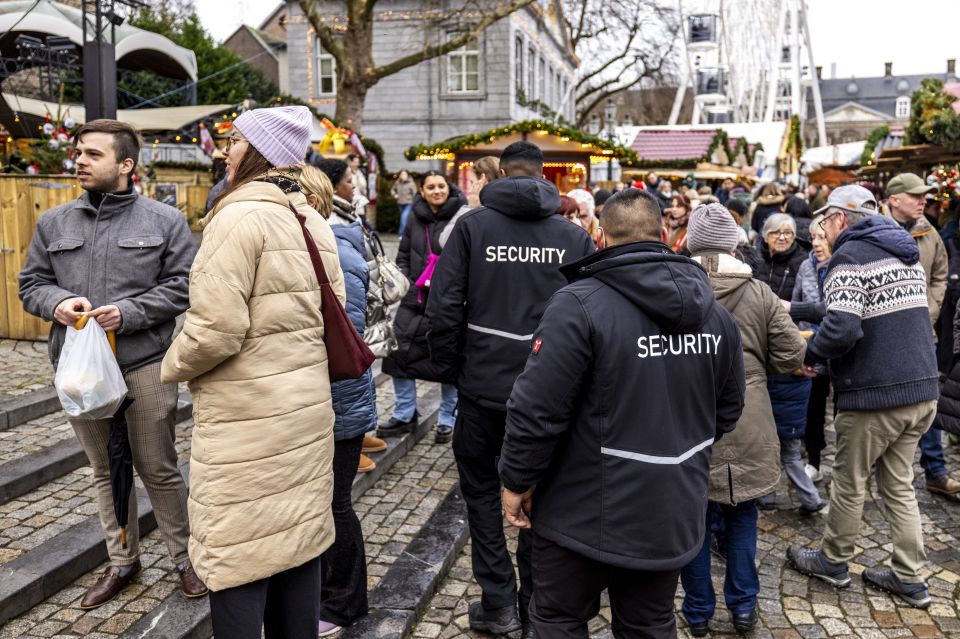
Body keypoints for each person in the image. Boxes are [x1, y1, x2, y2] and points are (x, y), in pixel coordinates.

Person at [497, 189, 745, 639]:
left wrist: (516, 480)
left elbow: (536, 410)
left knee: (557, 620)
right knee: (648, 624)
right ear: (666, 234)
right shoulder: (717, 316)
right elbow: (727, 410)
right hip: (667, 506)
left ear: (601, 237)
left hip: (578, 507)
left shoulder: (578, 304)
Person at [160, 105, 344, 637]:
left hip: (248, 422)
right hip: (302, 414)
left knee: (239, 553)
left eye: (234, 141)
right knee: (294, 542)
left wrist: (168, 367)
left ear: (260, 152)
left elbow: (214, 331)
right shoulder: (311, 216)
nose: (224, 150)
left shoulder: (237, 215)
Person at [18, 119, 204, 609]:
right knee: (104, 469)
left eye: (93, 154)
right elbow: (31, 284)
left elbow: (185, 285)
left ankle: (185, 559)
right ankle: (122, 561)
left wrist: (130, 313)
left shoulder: (163, 221)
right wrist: (56, 303)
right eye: (78, 152)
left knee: (158, 467)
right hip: (79, 371)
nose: (79, 160)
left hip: (143, 362)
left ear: (125, 165)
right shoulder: (53, 223)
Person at [426, 141, 594, 637]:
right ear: (547, 177)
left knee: (480, 491)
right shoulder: (571, 236)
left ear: (500, 173)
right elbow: (591, 316)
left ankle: (499, 601)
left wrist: (454, 367)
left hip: (482, 388)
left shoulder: (474, 227)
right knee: (540, 493)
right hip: (549, 392)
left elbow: (443, 306)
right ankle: (533, 600)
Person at [787, 185, 939, 609]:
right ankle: (910, 576)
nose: (822, 229)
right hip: (920, 391)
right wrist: (796, 308)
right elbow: (859, 307)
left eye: (824, 222)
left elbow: (844, 328)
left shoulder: (848, 257)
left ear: (838, 219)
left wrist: (808, 356)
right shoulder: (901, 252)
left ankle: (834, 561)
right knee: (899, 484)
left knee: (850, 482)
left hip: (876, 395)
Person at [680, 203, 805, 637]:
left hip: (686, 416)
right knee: (742, 515)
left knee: (692, 519)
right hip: (748, 415)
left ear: (691, 242)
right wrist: (756, 369)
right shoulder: (759, 292)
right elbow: (792, 354)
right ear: (735, 242)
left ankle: (697, 613)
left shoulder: (673, 287)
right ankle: (743, 608)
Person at [300, 165, 374, 635]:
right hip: (314, 397)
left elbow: (346, 334)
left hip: (339, 397)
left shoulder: (339, 251)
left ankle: (345, 603)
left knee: (335, 504)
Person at [885, 173, 960, 499]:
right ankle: (873, 466)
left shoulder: (929, 232)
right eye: (915, 196)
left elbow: (940, 273)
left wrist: (928, 309)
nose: (923, 201)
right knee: (878, 402)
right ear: (894, 199)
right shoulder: (875, 230)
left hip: (922, 334)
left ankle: (935, 471)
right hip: (882, 336)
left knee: (928, 401)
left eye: (923, 197)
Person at [379, 171, 467, 443]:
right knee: (397, 355)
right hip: (414, 298)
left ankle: (447, 419)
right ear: (422, 190)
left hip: (447, 302)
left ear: (448, 188)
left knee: (449, 359)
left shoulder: (462, 216)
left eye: (441, 186)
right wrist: (404, 280)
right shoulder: (415, 216)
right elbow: (404, 252)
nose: (437, 191)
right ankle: (405, 413)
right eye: (431, 187)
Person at [754, 213, 825, 515]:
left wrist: (802, 352)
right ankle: (791, 496)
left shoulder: (803, 265)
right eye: (776, 233)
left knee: (780, 445)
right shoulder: (756, 263)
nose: (783, 237)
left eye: (788, 233)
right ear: (765, 236)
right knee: (784, 446)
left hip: (794, 353)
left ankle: (780, 495)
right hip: (775, 357)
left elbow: (813, 312)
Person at [791, 217, 833, 484]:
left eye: (822, 237)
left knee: (845, 411)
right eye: (813, 238)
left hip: (842, 350)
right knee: (815, 407)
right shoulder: (806, 267)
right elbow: (796, 305)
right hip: (813, 349)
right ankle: (814, 460)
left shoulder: (844, 265)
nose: (816, 243)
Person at [439, 156, 499, 248]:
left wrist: (470, 207)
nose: (471, 187)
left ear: (483, 181)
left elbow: (445, 241)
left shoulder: (479, 211)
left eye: (472, 182)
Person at [391, 169, 417, 236]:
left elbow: (415, 194)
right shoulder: (397, 182)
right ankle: (409, 233)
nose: (403, 176)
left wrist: (415, 203)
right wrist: (394, 195)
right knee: (404, 219)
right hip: (400, 204)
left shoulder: (411, 183)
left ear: (407, 175)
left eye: (404, 174)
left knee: (403, 218)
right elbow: (392, 190)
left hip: (409, 203)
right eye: (402, 174)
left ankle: (401, 234)